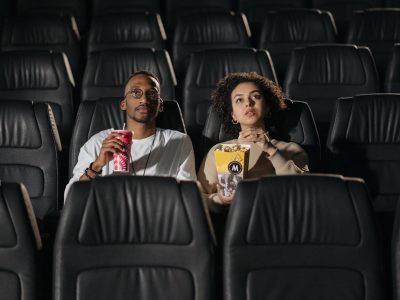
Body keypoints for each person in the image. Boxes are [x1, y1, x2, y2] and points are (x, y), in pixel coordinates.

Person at [64, 70, 196, 200]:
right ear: (123, 104)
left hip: (158, 217)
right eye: (136, 93)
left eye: (152, 94)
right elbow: (69, 199)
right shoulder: (98, 142)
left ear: (160, 105)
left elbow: (189, 197)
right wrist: (97, 165)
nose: (144, 99)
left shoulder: (179, 142)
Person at [197, 72, 309, 212]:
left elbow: (302, 190)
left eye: (256, 96)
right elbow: (198, 199)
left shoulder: (291, 150)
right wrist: (220, 200)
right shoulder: (219, 151)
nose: (248, 103)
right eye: (239, 100)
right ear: (233, 115)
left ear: (267, 108)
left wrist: (270, 149)